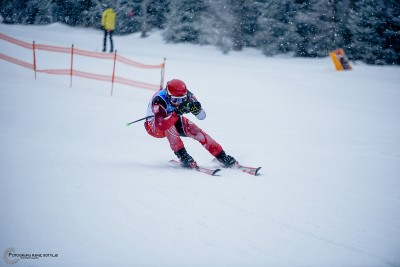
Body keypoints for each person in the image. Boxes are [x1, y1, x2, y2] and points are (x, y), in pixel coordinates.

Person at [144, 79, 237, 168]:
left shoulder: (188, 95)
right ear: (168, 95)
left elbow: (202, 116)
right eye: (175, 100)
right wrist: (177, 112)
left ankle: (222, 156)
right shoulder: (159, 100)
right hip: (154, 126)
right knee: (169, 127)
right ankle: (183, 156)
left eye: (182, 99)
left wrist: (196, 110)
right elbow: (161, 125)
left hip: (172, 118)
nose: (179, 103)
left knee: (196, 131)